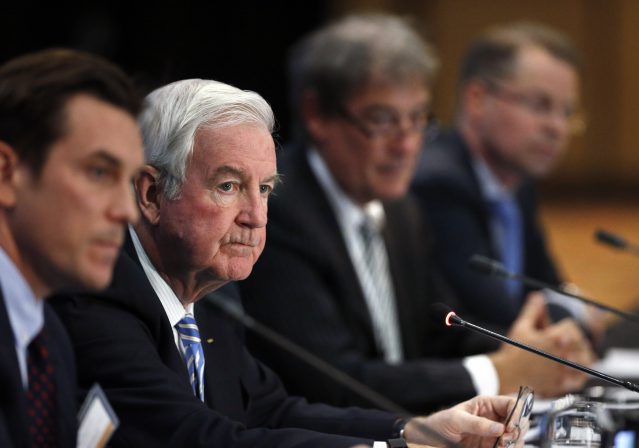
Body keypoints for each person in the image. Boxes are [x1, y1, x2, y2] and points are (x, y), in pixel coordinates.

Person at [51, 77, 520, 448]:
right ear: (152, 194)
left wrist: (417, 430)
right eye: (228, 186)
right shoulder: (100, 298)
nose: (256, 217)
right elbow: (195, 437)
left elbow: (273, 411)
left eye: (266, 190)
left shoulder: (208, 299)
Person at [239, 13, 593, 414]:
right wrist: (496, 371)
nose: (406, 145)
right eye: (382, 120)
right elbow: (334, 380)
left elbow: (443, 328)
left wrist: (536, 349)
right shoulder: (275, 214)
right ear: (318, 115)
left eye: (417, 119)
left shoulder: (401, 211)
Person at [410, 22, 599, 332]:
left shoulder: (516, 186)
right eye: (540, 105)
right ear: (477, 99)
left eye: (567, 112)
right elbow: (497, 318)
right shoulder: (439, 184)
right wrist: (570, 322)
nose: (557, 128)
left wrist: (572, 310)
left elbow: (546, 288)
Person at [0, 49, 144, 447]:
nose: (128, 212)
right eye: (99, 172)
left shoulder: (51, 342)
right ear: (6, 174)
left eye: (128, 181)